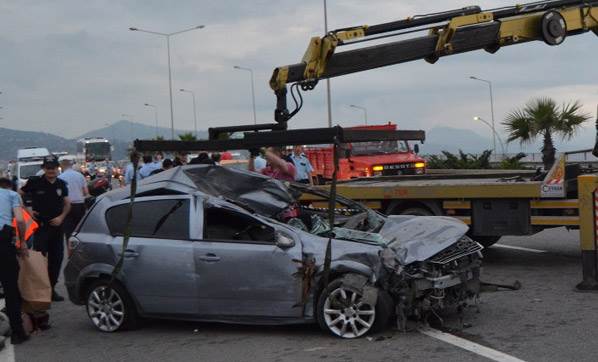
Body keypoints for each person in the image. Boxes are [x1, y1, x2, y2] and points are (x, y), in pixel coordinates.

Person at [20, 157, 71, 302]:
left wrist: (61, 217)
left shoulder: (61, 184)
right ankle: (39, 290)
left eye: (53, 167)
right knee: (40, 260)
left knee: (57, 259)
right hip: (41, 228)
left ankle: (51, 289)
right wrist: (27, 211)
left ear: (57, 168)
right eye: (48, 167)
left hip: (57, 228)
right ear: (43, 168)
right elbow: (18, 195)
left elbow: (68, 204)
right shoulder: (34, 182)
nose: (51, 170)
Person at [0, 177, 29, 344]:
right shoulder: (11, 195)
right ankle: (18, 332)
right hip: (3, 243)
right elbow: (19, 219)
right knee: (10, 288)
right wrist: (22, 241)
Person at [58, 159, 89, 243]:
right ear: (71, 166)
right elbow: (86, 193)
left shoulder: (60, 178)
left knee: (69, 233)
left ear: (62, 166)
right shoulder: (80, 176)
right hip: (80, 205)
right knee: (80, 230)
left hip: (67, 207)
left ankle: (70, 253)